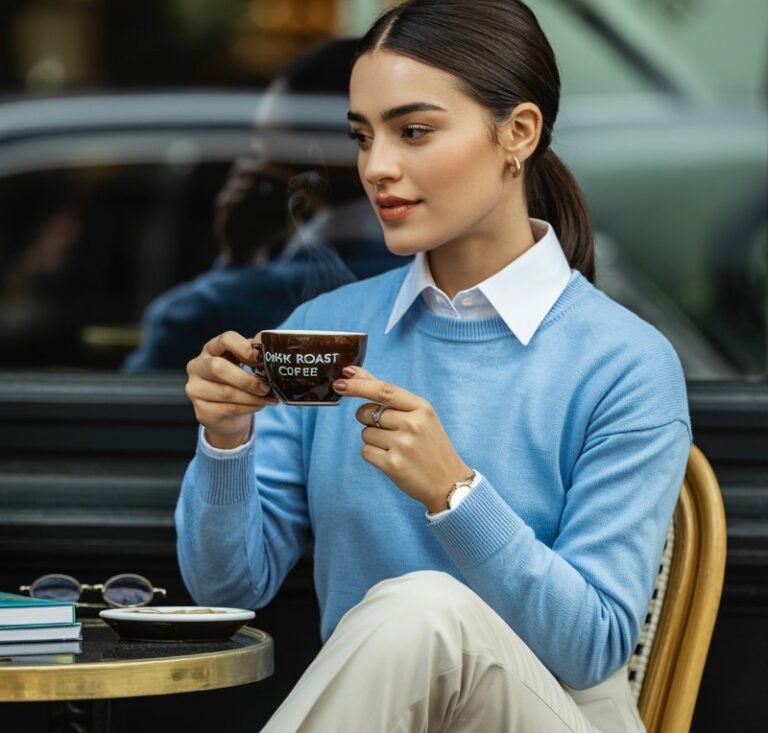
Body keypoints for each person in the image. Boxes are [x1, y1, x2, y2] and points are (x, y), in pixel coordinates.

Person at [176, 1, 692, 731]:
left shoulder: (624, 363)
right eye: (363, 136)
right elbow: (229, 586)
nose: (376, 167)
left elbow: (592, 646)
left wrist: (455, 494)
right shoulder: (329, 333)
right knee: (417, 606)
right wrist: (226, 440)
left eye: (413, 131)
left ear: (518, 133)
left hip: (558, 711)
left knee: (425, 603)